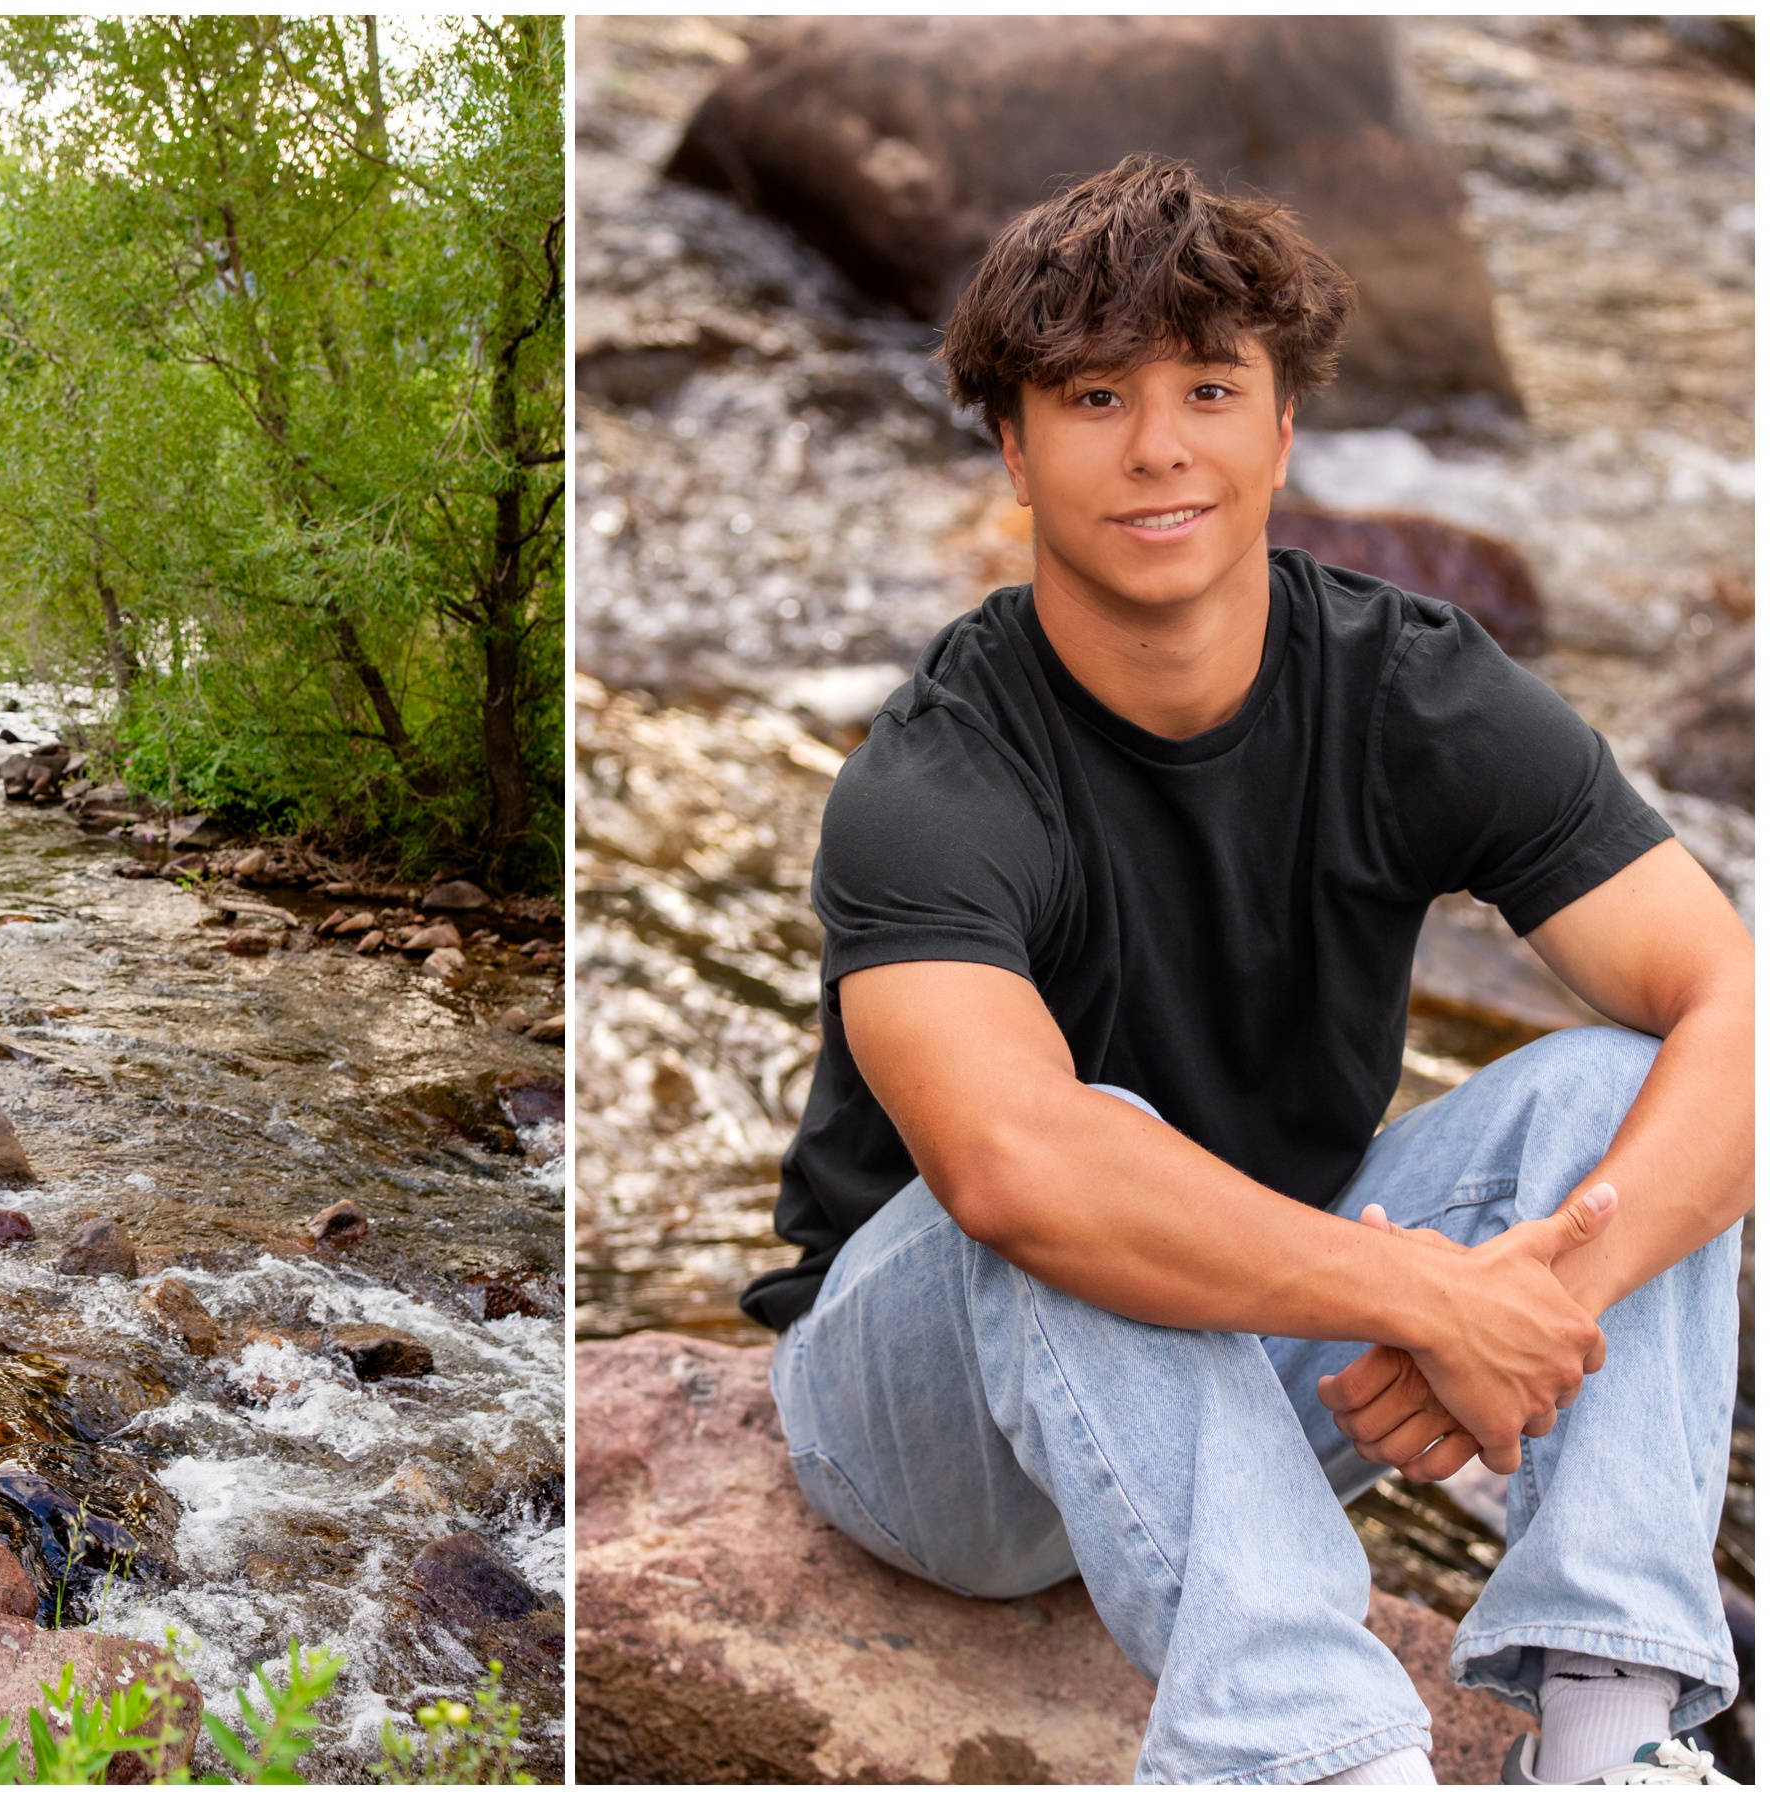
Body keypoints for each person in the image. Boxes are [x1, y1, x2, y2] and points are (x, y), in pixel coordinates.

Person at [739, 155, 1751, 1786]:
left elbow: (1735, 1008)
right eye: (1091, 397)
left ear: (1283, 432)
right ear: (1012, 445)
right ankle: (1323, 1758)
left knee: (1630, 1087)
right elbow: (1013, 1170)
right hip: (934, 1436)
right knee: (1084, 1146)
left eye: (1211, 389)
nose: (1159, 447)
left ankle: (1611, 1732)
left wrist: (1540, 1310)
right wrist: (1430, 1297)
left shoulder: (1413, 693)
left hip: (1269, 1373)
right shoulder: (937, 776)